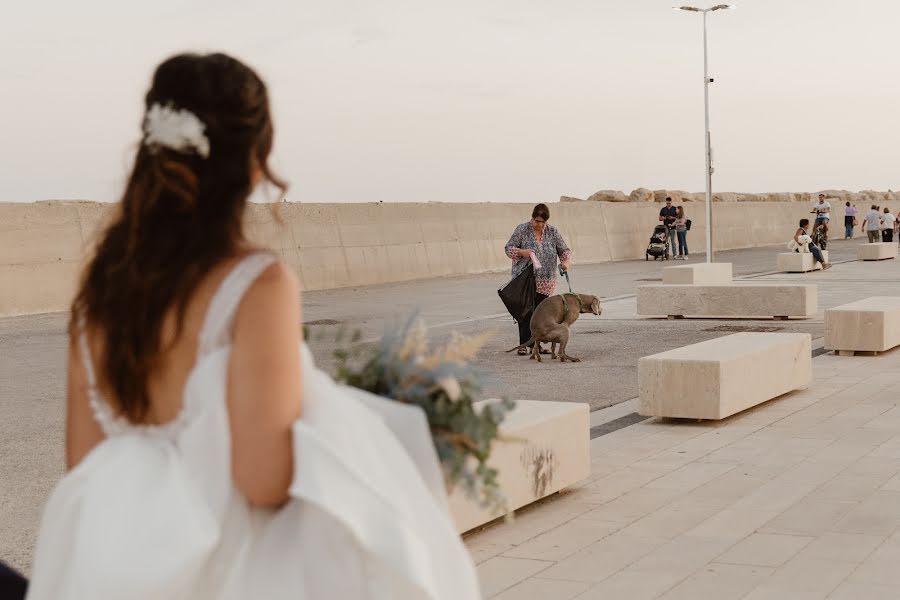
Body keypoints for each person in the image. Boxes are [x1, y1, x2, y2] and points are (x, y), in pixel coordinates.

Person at [26, 53, 480, 600]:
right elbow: (262, 480)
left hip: (109, 570)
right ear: (253, 160)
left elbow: (85, 463)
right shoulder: (256, 286)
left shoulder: (98, 295)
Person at [505, 203, 571, 356]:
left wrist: (565, 263)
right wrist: (522, 252)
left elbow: (564, 251)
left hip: (546, 280)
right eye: (537, 221)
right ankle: (523, 344)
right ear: (532, 218)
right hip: (525, 279)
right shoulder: (522, 229)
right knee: (525, 311)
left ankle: (537, 346)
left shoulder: (553, 232)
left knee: (540, 314)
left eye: (543, 222)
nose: (540, 225)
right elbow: (508, 248)